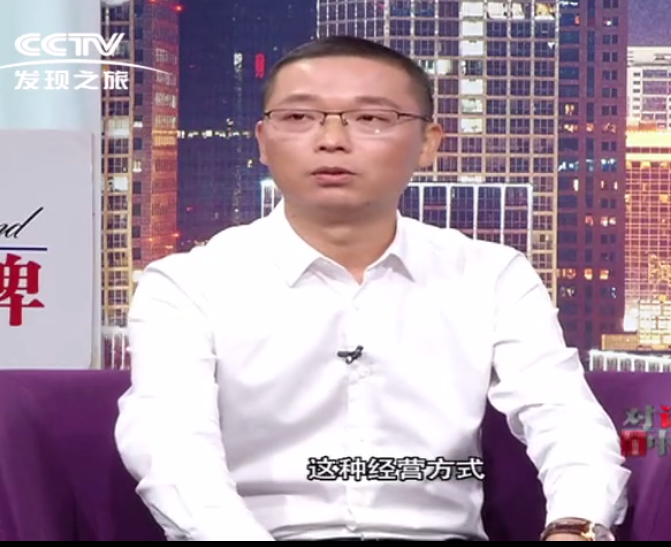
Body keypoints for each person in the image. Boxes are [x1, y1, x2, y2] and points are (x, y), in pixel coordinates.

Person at [114, 35, 630, 542]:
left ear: (428, 143)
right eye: (299, 117)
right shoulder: (187, 284)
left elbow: (564, 418)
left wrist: (575, 526)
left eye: (370, 119)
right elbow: (171, 447)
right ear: (263, 141)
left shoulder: (491, 274)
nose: (331, 140)